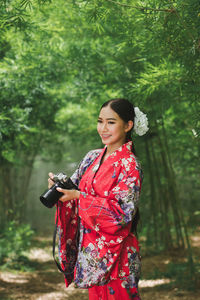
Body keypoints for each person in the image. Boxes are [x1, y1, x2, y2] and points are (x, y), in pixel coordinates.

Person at [48, 98, 149, 300]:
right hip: (93, 255)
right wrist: (59, 189)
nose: (103, 128)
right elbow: (74, 192)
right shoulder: (91, 157)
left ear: (128, 125)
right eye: (100, 121)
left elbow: (122, 214)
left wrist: (78, 196)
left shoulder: (130, 164)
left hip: (119, 255)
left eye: (111, 122)